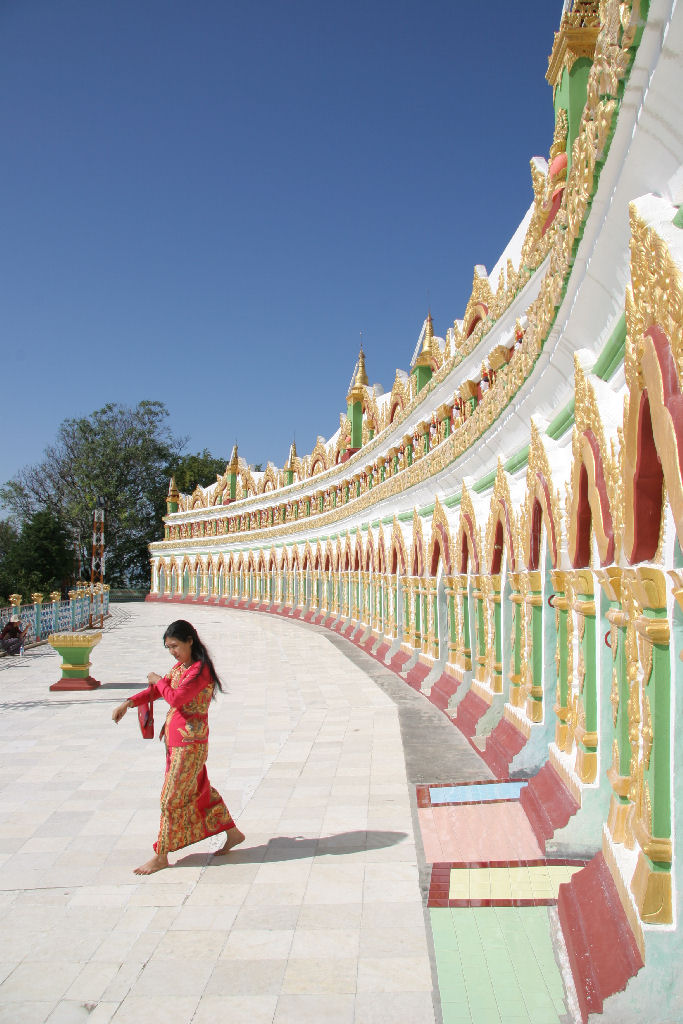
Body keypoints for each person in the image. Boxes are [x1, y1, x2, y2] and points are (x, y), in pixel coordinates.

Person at [111, 619, 244, 874]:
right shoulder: (181, 668)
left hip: (190, 744)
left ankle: (161, 855)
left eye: (175, 645)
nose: (172, 651)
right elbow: (158, 692)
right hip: (176, 743)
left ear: (189, 641)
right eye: (168, 647)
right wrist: (127, 703)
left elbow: (174, 696)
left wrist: (158, 679)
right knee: (200, 789)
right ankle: (234, 834)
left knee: (170, 797)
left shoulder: (199, 670)